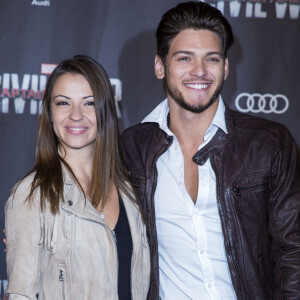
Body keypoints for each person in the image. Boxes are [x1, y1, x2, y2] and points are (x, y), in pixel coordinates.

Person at [121, 1, 300, 299]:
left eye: (212, 59)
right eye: (184, 58)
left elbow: (293, 252)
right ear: (159, 66)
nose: (200, 71)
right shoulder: (131, 148)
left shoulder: (269, 143)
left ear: (226, 67)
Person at [5, 55, 150, 300]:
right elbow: (22, 294)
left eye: (89, 103)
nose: (76, 115)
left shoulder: (130, 191)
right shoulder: (31, 195)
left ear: (104, 110)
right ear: (49, 113)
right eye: (63, 103)